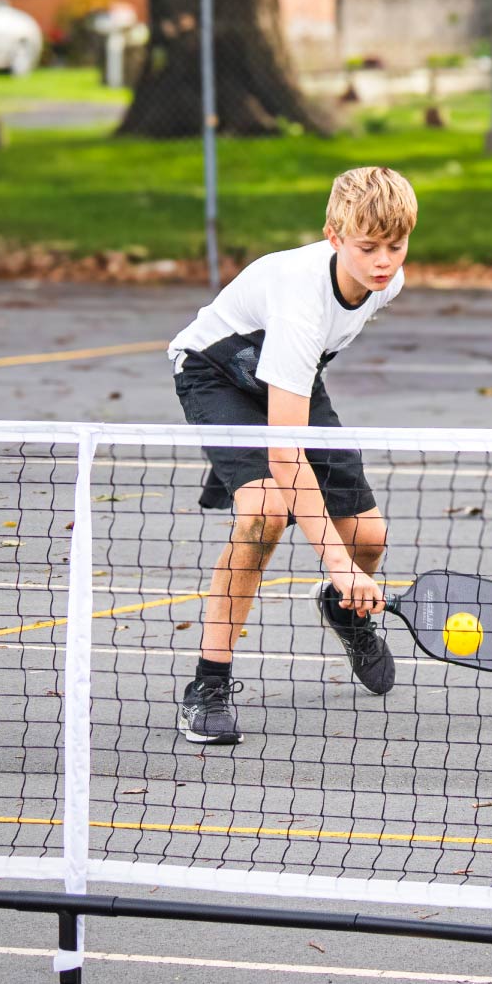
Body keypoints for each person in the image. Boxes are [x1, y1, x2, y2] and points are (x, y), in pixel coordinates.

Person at [166, 165, 417, 745]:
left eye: (396, 246)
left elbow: (300, 375)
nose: (384, 261)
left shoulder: (387, 283)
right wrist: (333, 559)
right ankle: (208, 682)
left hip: (290, 375)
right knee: (264, 514)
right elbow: (286, 455)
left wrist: (347, 566)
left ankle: (343, 609)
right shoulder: (300, 301)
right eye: (368, 247)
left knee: (370, 538)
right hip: (217, 375)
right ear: (334, 236)